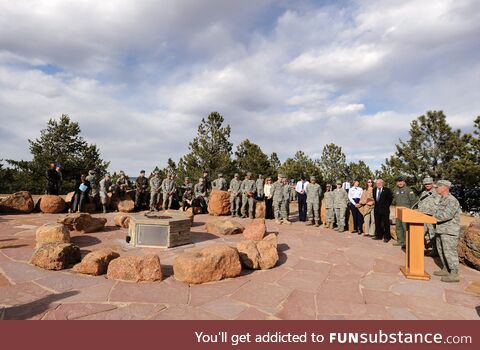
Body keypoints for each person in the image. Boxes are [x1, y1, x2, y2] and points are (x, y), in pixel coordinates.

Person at [432, 180, 461, 283]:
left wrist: (432, 219)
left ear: (445, 187)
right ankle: (445, 268)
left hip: (449, 231)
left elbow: (447, 215)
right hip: (440, 230)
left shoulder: (452, 200)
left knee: (449, 252)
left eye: (438, 187)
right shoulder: (441, 199)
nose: (436, 188)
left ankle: (454, 273)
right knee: (441, 251)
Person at [392, 176, 417, 247]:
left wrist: (411, 211)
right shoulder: (395, 190)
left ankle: (407, 242)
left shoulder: (409, 190)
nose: (400, 183)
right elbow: (394, 201)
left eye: (402, 181)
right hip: (398, 211)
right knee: (398, 227)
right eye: (399, 181)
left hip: (407, 212)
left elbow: (413, 201)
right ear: (397, 183)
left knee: (405, 227)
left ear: (404, 182)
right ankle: (400, 241)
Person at [417, 177, 439, 255]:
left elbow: (440, 204)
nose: (427, 185)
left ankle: (434, 251)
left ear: (432, 183)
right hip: (423, 216)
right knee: (424, 234)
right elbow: (420, 203)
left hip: (431, 217)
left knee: (432, 234)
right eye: (426, 184)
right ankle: (428, 248)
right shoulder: (424, 193)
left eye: (429, 184)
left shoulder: (437, 192)